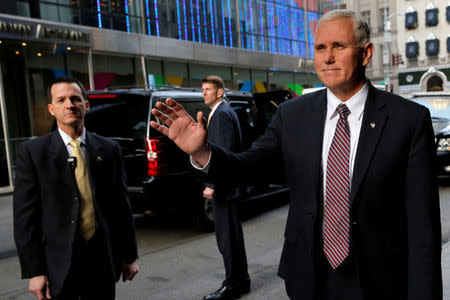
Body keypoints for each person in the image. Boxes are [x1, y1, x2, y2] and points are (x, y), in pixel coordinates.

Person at [150, 9, 442, 300]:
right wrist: (203, 152)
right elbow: (249, 166)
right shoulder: (293, 114)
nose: (327, 57)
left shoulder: (408, 119)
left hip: (379, 281)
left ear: (365, 53)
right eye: (320, 48)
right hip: (309, 277)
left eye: (338, 46)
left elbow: (422, 226)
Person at [13, 77, 139, 300]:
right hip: (58, 265)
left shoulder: (109, 149)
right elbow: (25, 220)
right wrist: (35, 272)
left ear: (86, 105)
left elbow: (121, 207)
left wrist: (129, 256)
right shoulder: (33, 153)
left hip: (102, 261)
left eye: (75, 99)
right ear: (52, 109)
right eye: (61, 100)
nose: (69, 105)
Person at [200, 75, 250, 300]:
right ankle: (241, 281)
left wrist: (211, 184)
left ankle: (232, 286)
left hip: (224, 187)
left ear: (220, 92)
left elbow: (221, 152)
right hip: (229, 185)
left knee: (227, 239)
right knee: (232, 237)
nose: (204, 94)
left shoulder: (221, 115)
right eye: (203, 90)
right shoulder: (224, 112)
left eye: (208, 90)